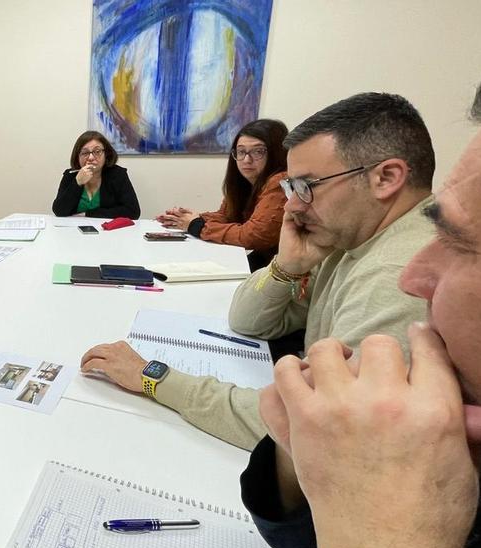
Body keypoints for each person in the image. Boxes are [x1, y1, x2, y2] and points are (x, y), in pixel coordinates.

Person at [244, 52, 481, 548]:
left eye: (456, 239)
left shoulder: (385, 275)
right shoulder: (342, 244)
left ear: (386, 176)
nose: (415, 277)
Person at [81, 93, 436, 450]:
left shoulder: (398, 276)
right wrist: (285, 267)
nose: (293, 205)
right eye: (290, 188)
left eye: (307, 187)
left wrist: (152, 378)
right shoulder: (350, 242)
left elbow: (309, 429)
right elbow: (247, 321)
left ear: (386, 178)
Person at [157, 119, 289, 270]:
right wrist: (184, 218)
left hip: (285, 270)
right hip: (265, 260)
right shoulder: (245, 182)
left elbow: (253, 236)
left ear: (276, 153)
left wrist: (196, 226)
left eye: (258, 151)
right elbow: (227, 216)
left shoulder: (281, 181)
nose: (246, 159)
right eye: (241, 151)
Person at [51, 131, 140, 219]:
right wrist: (77, 182)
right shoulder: (70, 175)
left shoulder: (118, 174)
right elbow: (59, 211)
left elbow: (133, 211)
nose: (91, 158)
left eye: (97, 151)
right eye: (85, 153)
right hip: (73, 230)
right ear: (77, 156)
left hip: (108, 231)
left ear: (106, 154)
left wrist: (88, 214)